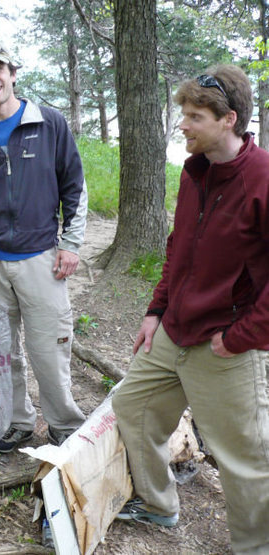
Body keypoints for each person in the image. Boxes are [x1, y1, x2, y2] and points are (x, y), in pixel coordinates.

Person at [113, 65, 269, 553]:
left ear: (230, 120)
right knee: (132, 406)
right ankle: (160, 507)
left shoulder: (262, 179)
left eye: (195, 115)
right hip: (173, 332)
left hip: (226, 345)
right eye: (183, 112)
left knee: (244, 459)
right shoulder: (194, 170)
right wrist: (156, 310)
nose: (183, 124)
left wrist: (240, 337)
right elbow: (179, 246)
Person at [0, 43, 87, 453]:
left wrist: (71, 244)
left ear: (13, 73)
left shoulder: (49, 124)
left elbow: (74, 187)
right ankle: (17, 423)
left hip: (41, 259)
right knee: (1, 354)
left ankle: (64, 426)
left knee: (49, 351)